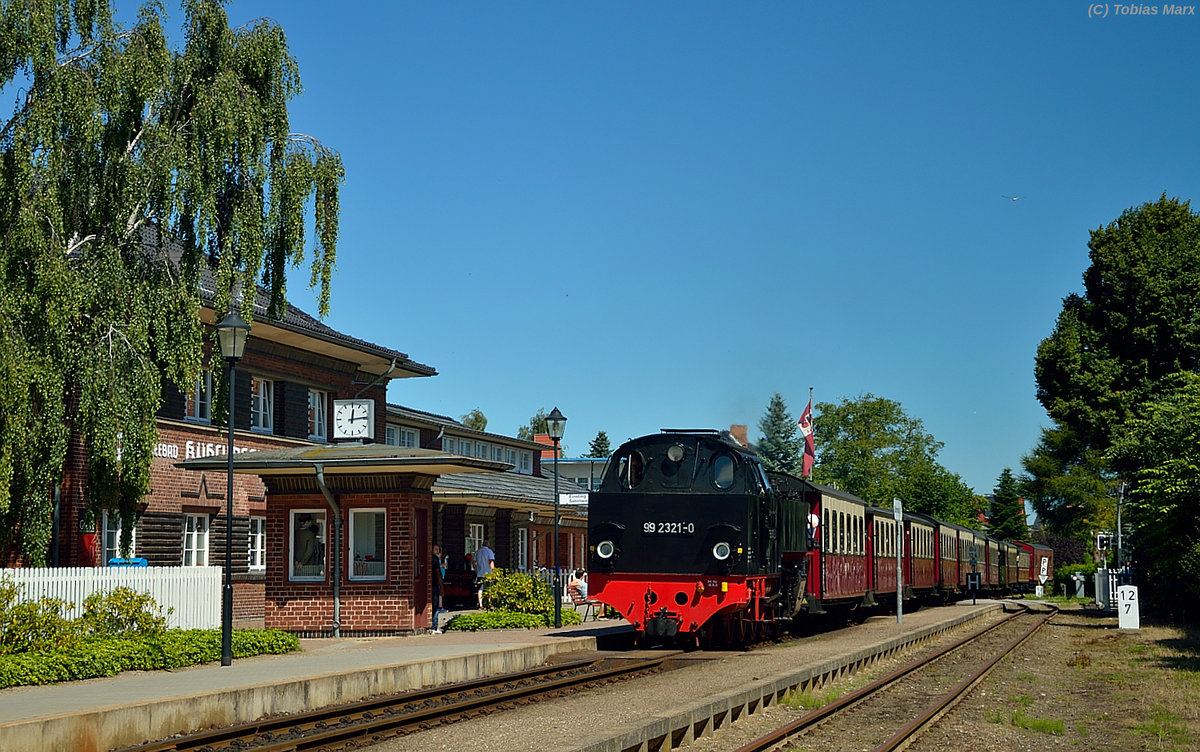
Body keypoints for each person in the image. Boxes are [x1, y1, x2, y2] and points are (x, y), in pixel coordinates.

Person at [473, 540, 495, 609]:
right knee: (489, 588)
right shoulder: (489, 551)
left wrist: (476, 569)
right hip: (488, 573)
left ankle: (480, 604)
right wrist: (493, 571)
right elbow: (491, 562)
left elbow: (473, 562)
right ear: (488, 545)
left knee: (480, 589)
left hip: (480, 573)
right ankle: (489, 602)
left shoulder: (477, 552)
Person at [431, 544, 446, 633]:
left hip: (429, 584)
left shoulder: (428, 558)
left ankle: (432, 625)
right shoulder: (435, 559)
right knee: (435, 606)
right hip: (434, 584)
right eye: (436, 549)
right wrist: (442, 586)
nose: (437, 551)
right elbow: (438, 573)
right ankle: (434, 626)